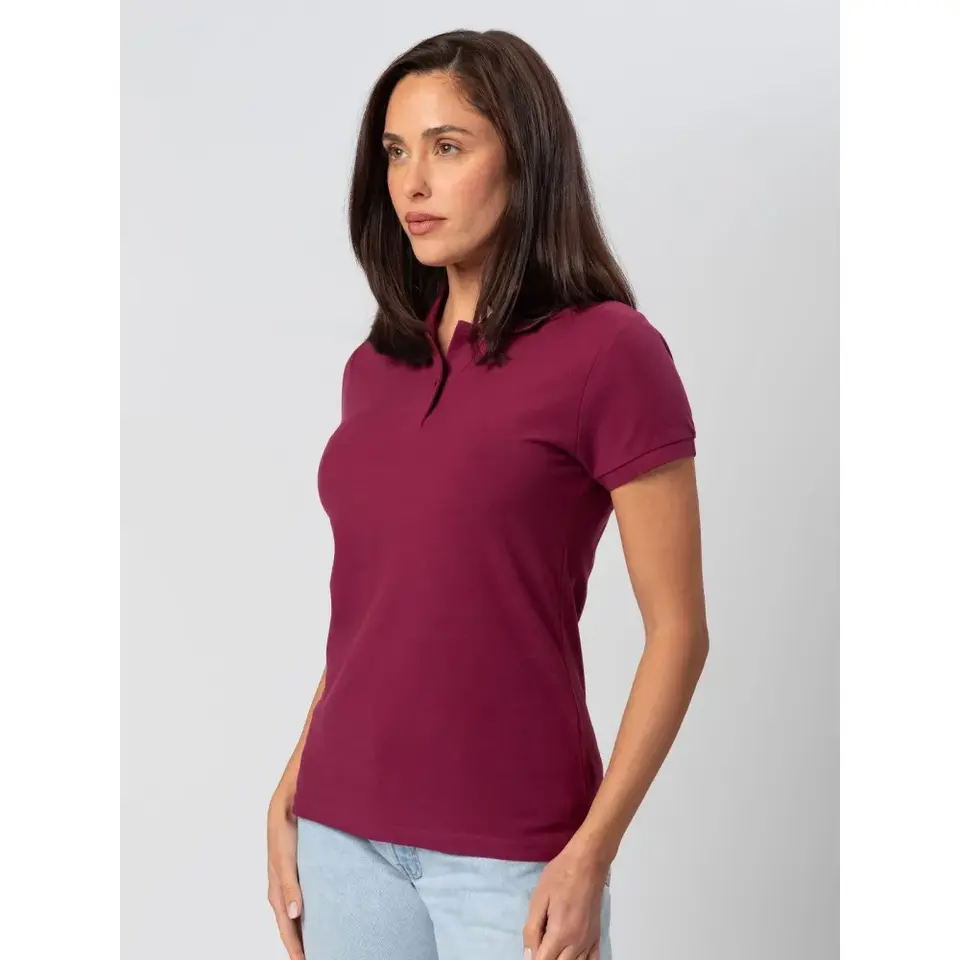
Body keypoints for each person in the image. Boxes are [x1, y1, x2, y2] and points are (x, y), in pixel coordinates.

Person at [266, 27, 709, 960]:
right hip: (343, 835)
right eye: (396, 152)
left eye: (448, 146)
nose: (412, 183)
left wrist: (590, 853)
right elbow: (376, 610)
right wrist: (294, 781)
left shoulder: (610, 353)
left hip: (513, 856)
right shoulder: (376, 366)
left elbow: (679, 632)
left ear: (526, 159)